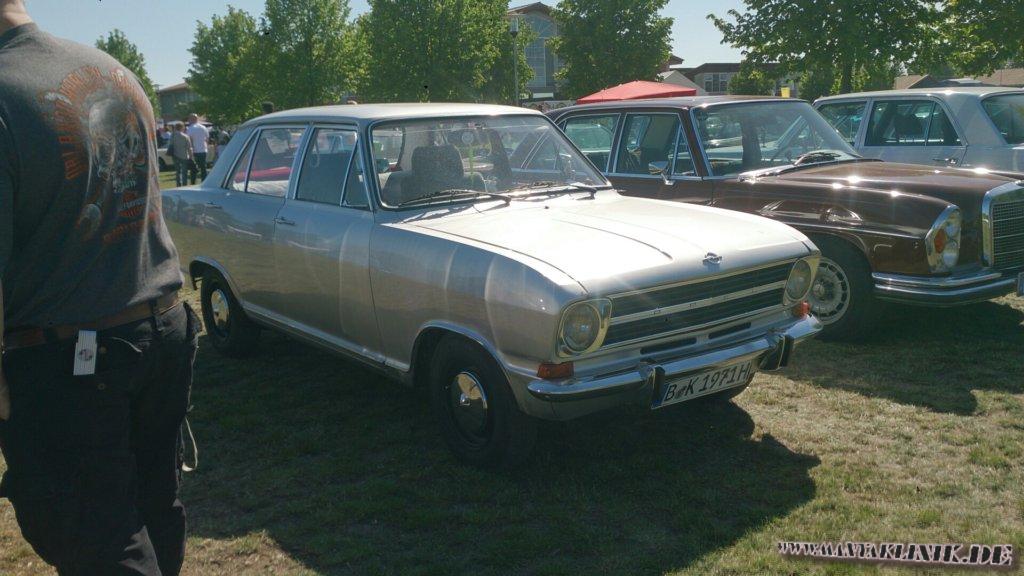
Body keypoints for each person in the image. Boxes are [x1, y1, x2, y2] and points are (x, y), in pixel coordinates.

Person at [0, 2, 199, 574]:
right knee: (153, 510)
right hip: (160, 326)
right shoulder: (113, 70)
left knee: (95, 537)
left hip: (72, 356)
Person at [185, 113, 209, 184]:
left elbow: (189, 140)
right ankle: (204, 181)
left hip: (194, 151)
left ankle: (193, 182)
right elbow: (207, 138)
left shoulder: (190, 128)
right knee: (203, 168)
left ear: (191, 119)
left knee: (193, 168)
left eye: (189, 119)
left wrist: (189, 150)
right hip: (203, 150)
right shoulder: (203, 127)